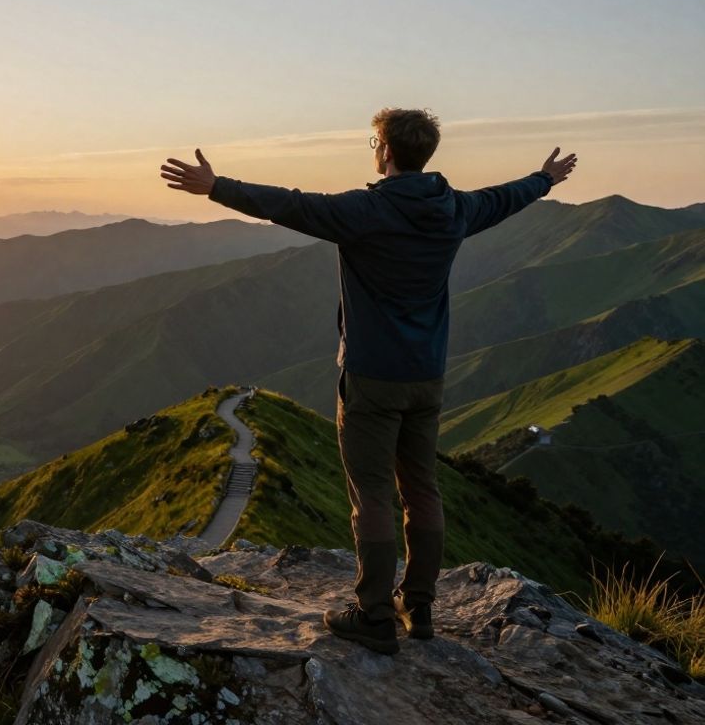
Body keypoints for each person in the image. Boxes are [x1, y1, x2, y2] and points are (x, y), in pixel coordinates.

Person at [159, 108, 577, 654]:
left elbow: (290, 204)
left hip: (371, 377)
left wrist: (217, 187)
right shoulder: (455, 209)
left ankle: (375, 614)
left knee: (373, 493)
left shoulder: (364, 211)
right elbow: (503, 197)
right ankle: (418, 604)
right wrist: (543, 179)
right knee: (421, 487)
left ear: (383, 148)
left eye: (372, 141)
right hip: (427, 375)